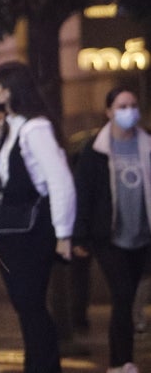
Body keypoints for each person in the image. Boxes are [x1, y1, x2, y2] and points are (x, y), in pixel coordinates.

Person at [0, 61, 75, 373]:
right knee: (27, 309)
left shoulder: (35, 128)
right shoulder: (11, 126)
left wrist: (64, 235)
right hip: (11, 232)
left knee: (31, 308)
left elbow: (59, 181)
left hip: (31, 232)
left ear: (12, 89)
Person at [72, 87, 148, 373]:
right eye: (122, 106)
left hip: (142, 236)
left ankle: (123, 361)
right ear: (109, 112)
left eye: (132, 104)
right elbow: (85, 193)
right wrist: (79, 235)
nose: (129, 111)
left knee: (128, 297)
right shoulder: (95, 151)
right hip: (109, 237)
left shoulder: (147, 145)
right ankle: (121, 361)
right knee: (123, 294)